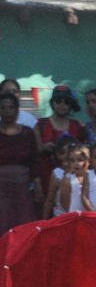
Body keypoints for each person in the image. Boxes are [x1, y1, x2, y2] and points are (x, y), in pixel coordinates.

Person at [0, 90, 42, 232]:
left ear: (17, 110)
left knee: (23, 228)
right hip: (1, 190)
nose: (7, 111)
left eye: (11, 107)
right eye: (3, 108)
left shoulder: (27, 133)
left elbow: (34, 160)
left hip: (23, 189)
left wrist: (37, 184)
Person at [59, 144, 89, 213]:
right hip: (76, 216)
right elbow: (64, 201)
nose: (76, 163)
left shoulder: (93, 176)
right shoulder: (68, 179)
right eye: (72, 160)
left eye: (80, 160)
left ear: (88, 160)